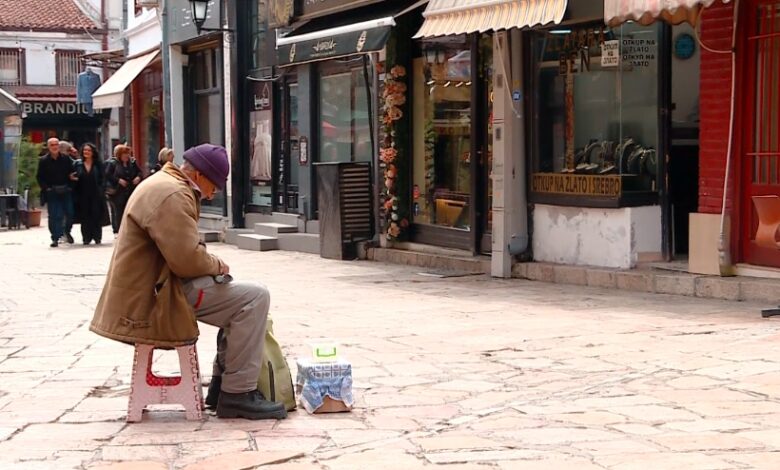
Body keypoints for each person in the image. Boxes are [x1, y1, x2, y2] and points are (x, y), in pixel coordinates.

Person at [90, 144, 287, 420]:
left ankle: (221, 387)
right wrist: (217, 264)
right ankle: (238, 394)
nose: (213, 193)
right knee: (254, 297)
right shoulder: (173, 194)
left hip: (151, 288)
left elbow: (182, 252)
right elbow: (186, 260)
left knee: (237, 296)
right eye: (214, 186)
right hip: (154, 298)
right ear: (201, 176)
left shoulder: (163, 183)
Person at [36, 137, 77, 247]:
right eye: (52, 145)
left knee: (70, 213)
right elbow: (40, 177)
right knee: (55, 215)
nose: (55, 147)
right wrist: (46, 189)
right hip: (52, 191)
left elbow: (73, 173)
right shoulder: (44, 160)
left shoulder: (66, 159)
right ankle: (55, 237)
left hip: (66, 190)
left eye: (56, 144)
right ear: (48, 147)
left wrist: (70, 186)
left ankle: (66, 231)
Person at [74, 143, 107, 245]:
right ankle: (86, 237)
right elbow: (74, 177)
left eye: (88, 150)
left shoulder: (98, 164)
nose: (86, 152)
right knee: (85, 216)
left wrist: (102, 190)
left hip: (96, 194)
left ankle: (97, 237)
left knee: (96, 215)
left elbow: (103, 178)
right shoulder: (78, 164)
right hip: (82, 194)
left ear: (93, 152)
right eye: (84, 150)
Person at [108, 145, 142, 233]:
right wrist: (118, 180)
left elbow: (139, 172)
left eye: (128, 153)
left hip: (130, 191)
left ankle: (130, 230)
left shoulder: (132, 163)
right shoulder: (113, 164)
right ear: (119, 155)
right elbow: (107, 175)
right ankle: (120, 231)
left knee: (130, 211)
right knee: (119, 212)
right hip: (118, 192)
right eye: (124, 154)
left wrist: (138, 177)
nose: (127, 155)